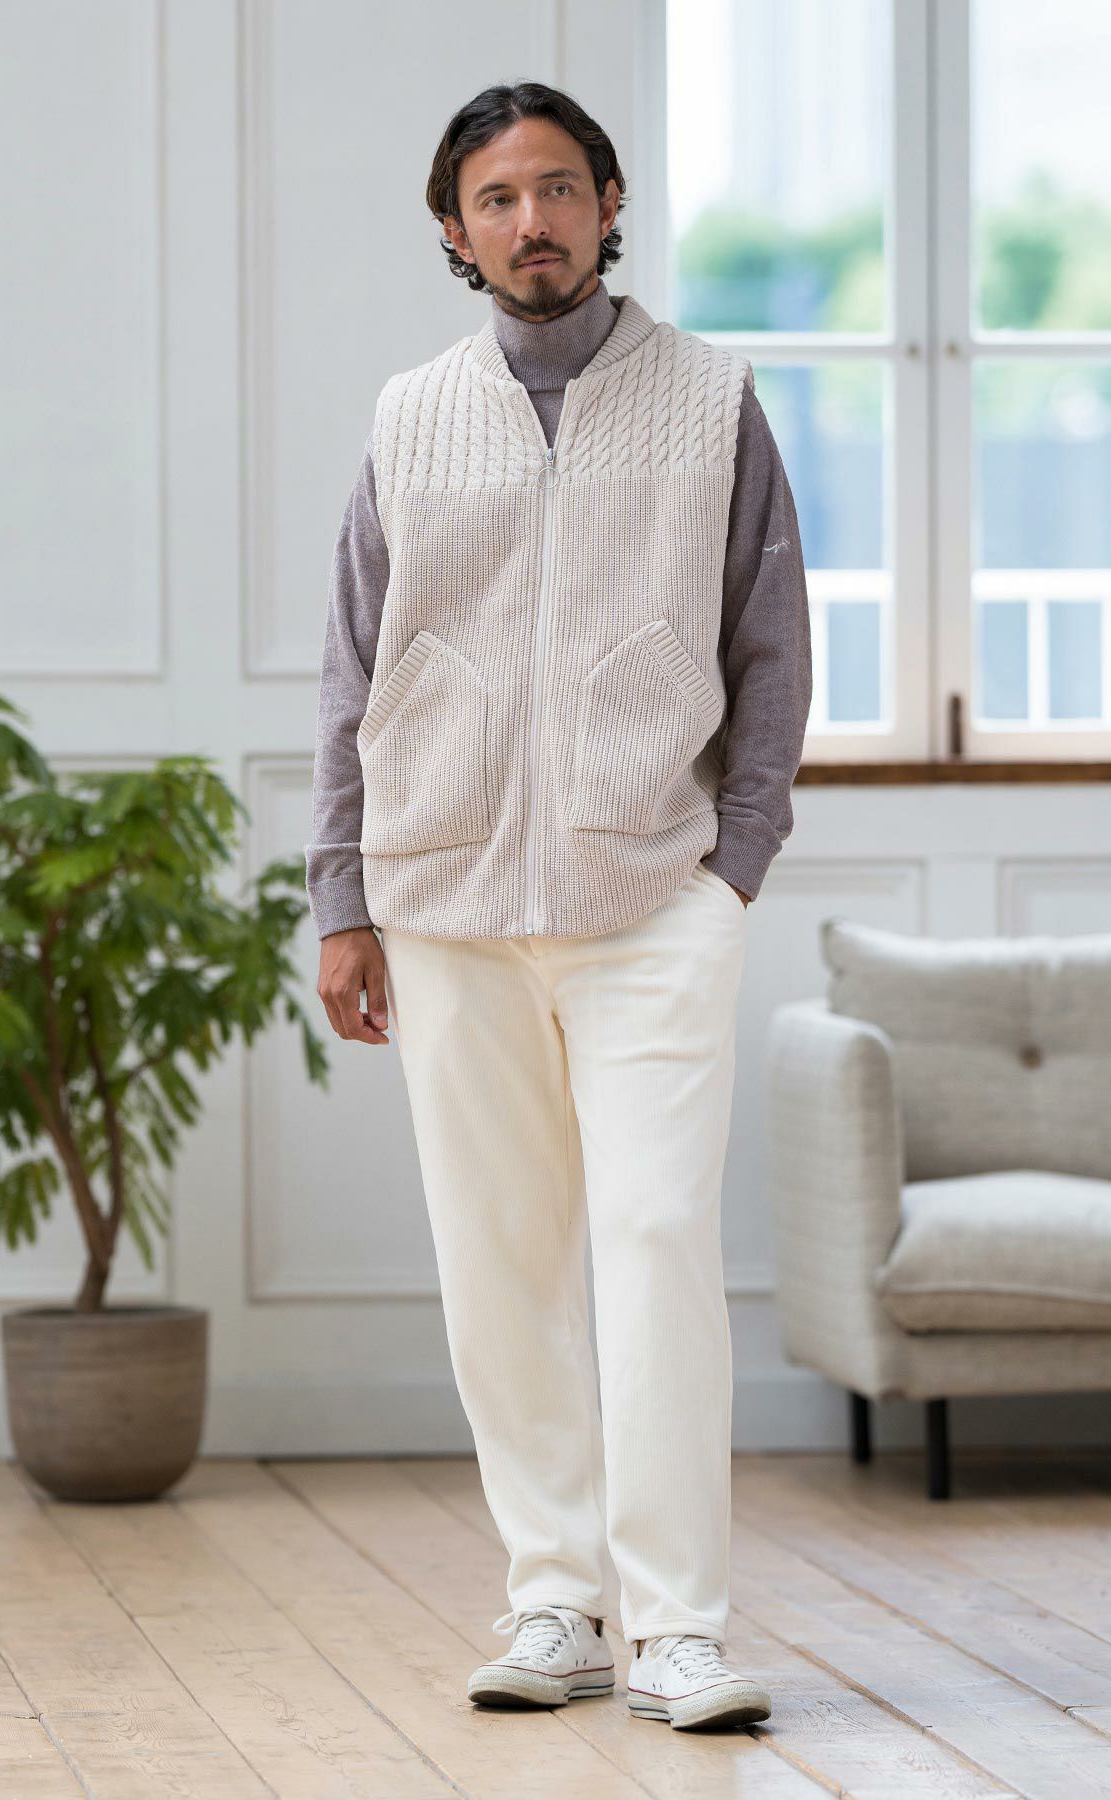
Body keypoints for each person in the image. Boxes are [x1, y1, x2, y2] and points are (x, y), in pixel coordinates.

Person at [308, 79, 811, 1733]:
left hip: (652, 890)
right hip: (444, 892)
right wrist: (344, 894)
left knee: (654, 1243)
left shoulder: (711, 400)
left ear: (608, 205)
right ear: (454, 232)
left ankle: (677, 1626)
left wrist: (734, 866)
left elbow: (770, 649)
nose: (532, 222)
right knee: (499, 1258)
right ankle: (555, 1601)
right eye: (497, 198)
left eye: (558, 189)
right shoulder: (410, 415)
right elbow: (355, 668)